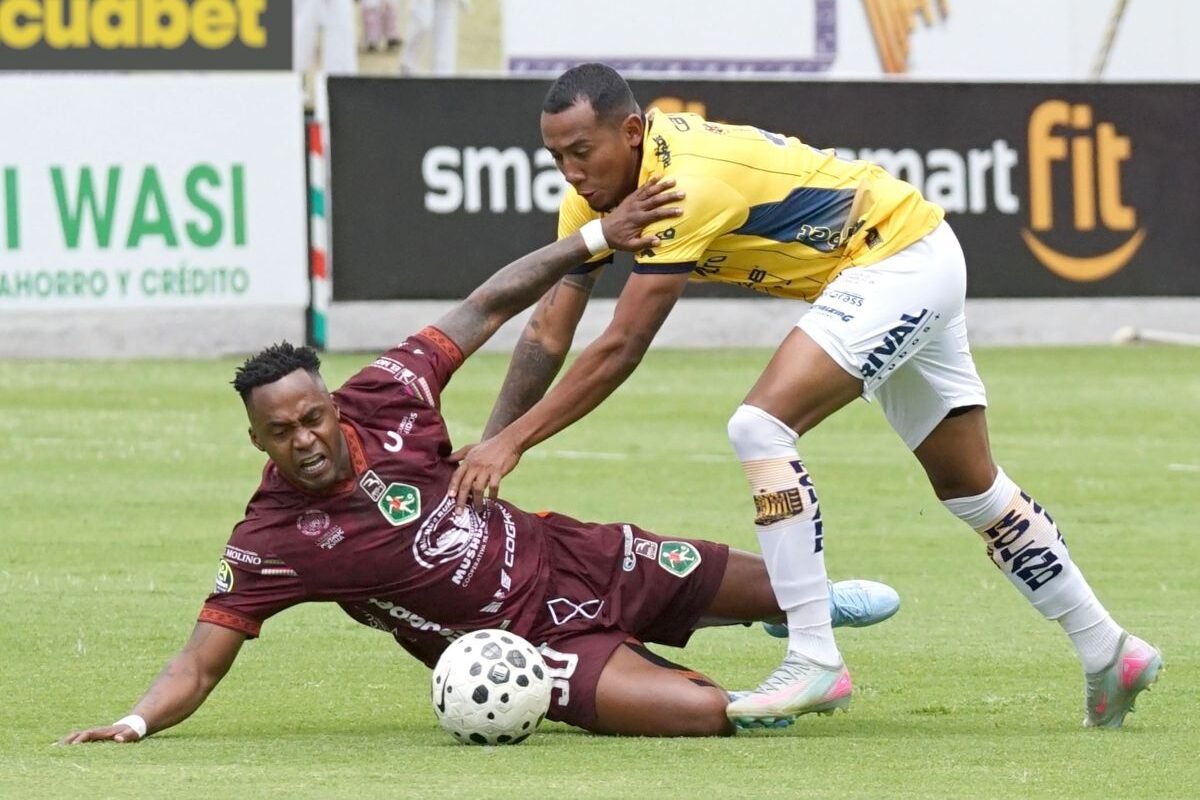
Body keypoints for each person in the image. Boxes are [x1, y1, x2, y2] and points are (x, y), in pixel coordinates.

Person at [446, 63, 1163, 729]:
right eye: (556, 158)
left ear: (630, 132)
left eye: (582, 152)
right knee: (971, 488)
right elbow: (551, 325)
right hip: (910, 259)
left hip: (895, 260)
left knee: (759, 427)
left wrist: (513, 444)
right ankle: (1108, 649)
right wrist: (493, 435)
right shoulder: (590, 199)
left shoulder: (684, 184)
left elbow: (620, 347)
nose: (572, 173)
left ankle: (815, 658)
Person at [60, 179, 899, 746]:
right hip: (522, 651)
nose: (305, 439)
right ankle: (724, 673)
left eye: (312, 417)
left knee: (793, 589)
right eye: (282, 433)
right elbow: (200, 658)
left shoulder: (385, 389)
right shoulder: (275, 538)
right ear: (260, 442)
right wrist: (134, 723)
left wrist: (596, 236)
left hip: (575, 556)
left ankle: (795, 612)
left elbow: (490, 303)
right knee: (710, 716)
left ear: (330, 402)